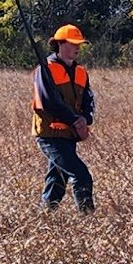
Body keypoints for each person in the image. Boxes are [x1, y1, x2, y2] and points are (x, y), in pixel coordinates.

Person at [32, 24, 96, 213]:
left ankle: (45, 215)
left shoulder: (81, 72)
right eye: (73, 43)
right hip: (49, 134)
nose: (77, 47)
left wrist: (85, 119)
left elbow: (89, 100)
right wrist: (74, 119)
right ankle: (89, 218)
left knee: (57, 179)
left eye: (79, 44)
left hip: (68, 134)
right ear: (59, 44)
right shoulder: (45, 69)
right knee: (81, 175)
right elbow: (48, 102)